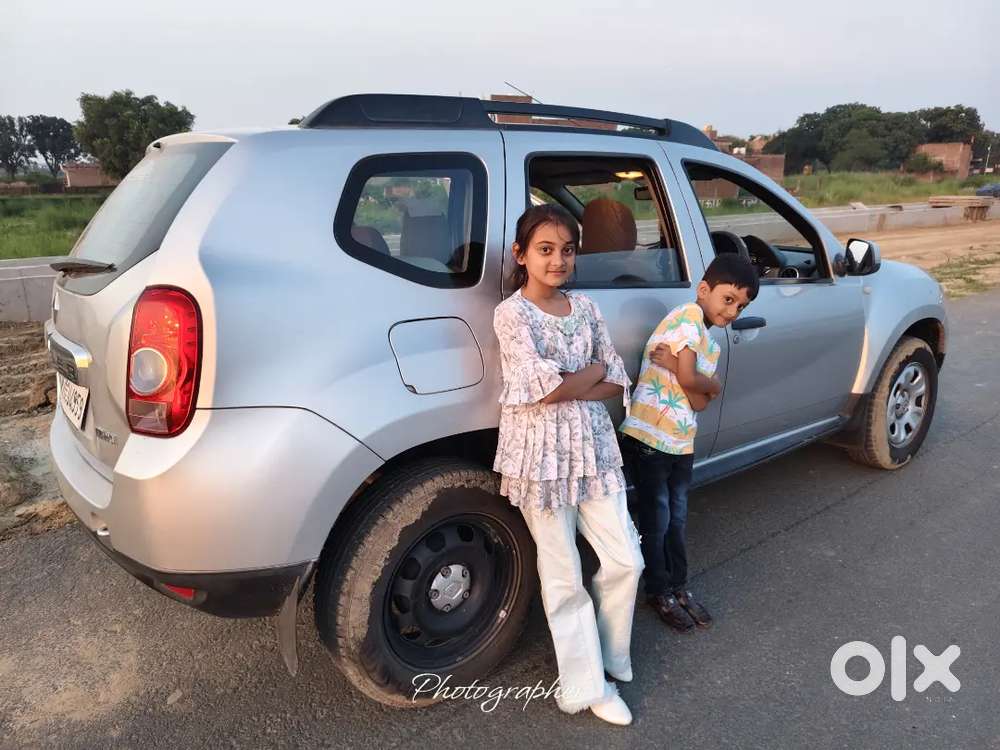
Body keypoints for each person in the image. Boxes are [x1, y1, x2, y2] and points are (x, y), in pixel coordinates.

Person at [493, 204, 643, 726]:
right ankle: (585, 685)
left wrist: (577, 379)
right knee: (563, 574)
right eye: (546, 249)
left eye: (568, 250)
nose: (558, 260)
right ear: (521, 254)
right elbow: (541, 390)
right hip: (540, 457)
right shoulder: (511, 314)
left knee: (626, 559)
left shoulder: (586, 307)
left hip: (594, 449)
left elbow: (615, 379)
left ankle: (611, 653)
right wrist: (586, 374)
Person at [619, 253, 759, 632]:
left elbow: (698, 397)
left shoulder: (709, 347)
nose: (732, 311)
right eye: (728, 299)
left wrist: (704, 382)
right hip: (650, 439)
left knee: (677, 519)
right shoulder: (686, 318)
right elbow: (690, 379)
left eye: (741, 305)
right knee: (657, 518)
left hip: (680, 442)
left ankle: (678, 586)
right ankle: (658, 590)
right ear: (704, 290)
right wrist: (696, 379)